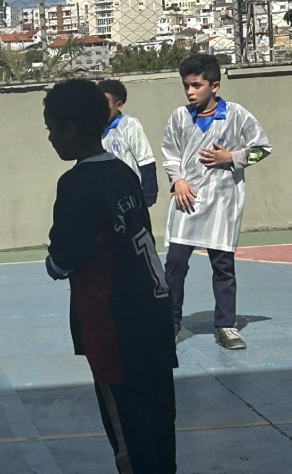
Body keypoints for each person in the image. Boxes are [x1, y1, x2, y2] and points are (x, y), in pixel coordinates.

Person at [44, 80, 177, 474]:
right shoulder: (123, 172)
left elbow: (65, 256)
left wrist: (53, 264)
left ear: (69, 129)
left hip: (113, 324)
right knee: (159, 416)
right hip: (153, 314)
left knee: (127, 429)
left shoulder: (75, 183)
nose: (50, 138)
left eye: (51, 129)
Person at [162, 54, 271, 349]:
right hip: (187, 202)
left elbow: (262, 148)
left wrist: (231, 157)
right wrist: (178, 180)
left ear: (215, 85)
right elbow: (170, 154)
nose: (190, 92)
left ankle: (226, 326)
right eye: (186, 86)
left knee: (223, 267)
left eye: (196, 85)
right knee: (175, 264)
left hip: (223, 204)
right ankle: (169, 321)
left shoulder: (237, 115)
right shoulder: (179, 117)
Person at [98, 79, 159, 207]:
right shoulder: (94, 130)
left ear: (119, 105)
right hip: (105, 198)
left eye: (105, 103)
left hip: (130, 196)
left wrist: (149, 195)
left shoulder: (129, 125)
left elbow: (145, 160)